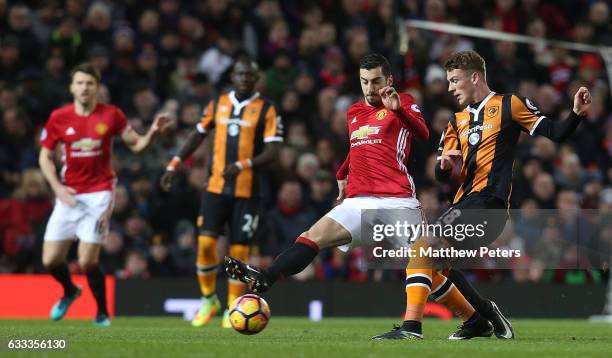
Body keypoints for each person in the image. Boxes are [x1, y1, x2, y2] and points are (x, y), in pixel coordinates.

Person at [225, 53, 499, 339]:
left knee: (428, 267)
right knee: (311, 236)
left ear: (389, 80)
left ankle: (471, 319)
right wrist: (341, 174)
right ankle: (266, 277)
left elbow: (423, 133)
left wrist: (398, 110)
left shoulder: (403, 101)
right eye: (365, 82)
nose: (370, 88)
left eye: (377, 81)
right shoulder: (353, 111)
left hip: (397, 199)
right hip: (358, 199)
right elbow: (357, 147)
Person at [372, 49, 592, 340]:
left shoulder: (509, 104)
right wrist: (444, 167)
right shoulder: (456, 121)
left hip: (490, 203)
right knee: (432, 264)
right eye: (448, 81)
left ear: (474, 77)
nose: (450, 88)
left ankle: (411, 328)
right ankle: (481, 317)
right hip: (465, 204)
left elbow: (555, 132)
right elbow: (440, 174)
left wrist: (575, 114)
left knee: (422, 247)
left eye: (455, 80)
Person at [40, 63, 169, 326]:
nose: (85, 88)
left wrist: (152, 134)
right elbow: (44, 156)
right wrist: (57, 188)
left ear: (97, 87)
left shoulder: (112, 115)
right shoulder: (59, 117)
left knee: (87, 260)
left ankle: (101, 312)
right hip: (68, 193)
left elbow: (138, 146)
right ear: (72, 87)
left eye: (90, 83)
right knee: (51, 260)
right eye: (80, 83)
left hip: (99, 193)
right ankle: (69, 291)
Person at [161, 58, 283, 328]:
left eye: (250, 75)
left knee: (238, 251)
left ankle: (232, 307)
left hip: (247, 191)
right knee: (205, 244)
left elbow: (274, 151)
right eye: (240, 74)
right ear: (233, 76)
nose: (245, 79)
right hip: (215, 188)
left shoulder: (267, 109)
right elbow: (197, 134)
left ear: (256, 78)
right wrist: (175, 163)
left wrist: (243, 165)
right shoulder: (218, 104)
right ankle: (208, 300)